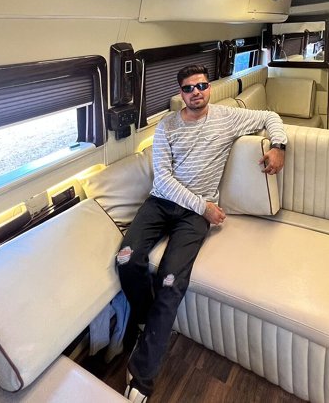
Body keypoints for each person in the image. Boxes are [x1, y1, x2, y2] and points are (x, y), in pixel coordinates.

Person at [119, 64, 287, 402]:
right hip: (163, 203)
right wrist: (204, 207)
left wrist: (279, 146)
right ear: (180, 94)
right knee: (125, 259)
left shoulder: (227, 118)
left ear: (209, 87)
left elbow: (270, 116)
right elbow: (163, 180)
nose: (196, 92)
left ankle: (142, 377)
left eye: (202, 85)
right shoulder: (166, 126)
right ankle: (145, 320)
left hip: (193, 217)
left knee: (170, 281)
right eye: (188, 88)